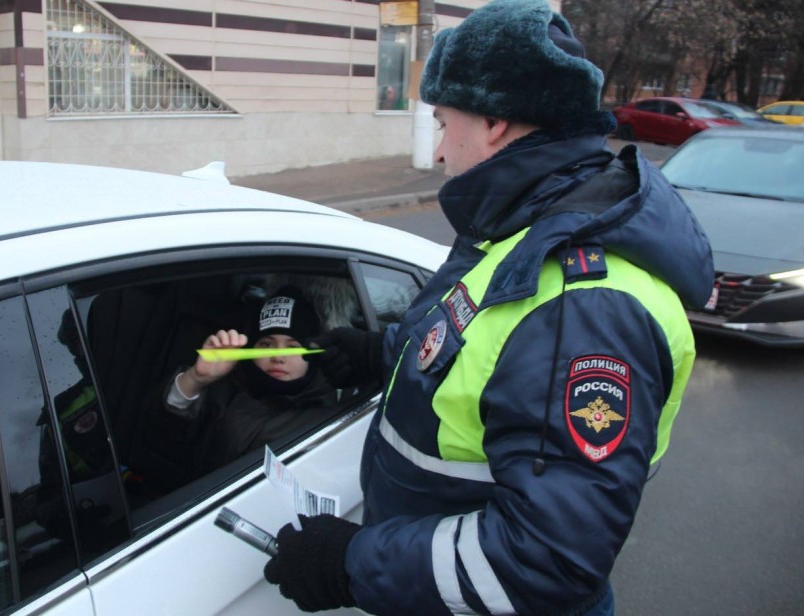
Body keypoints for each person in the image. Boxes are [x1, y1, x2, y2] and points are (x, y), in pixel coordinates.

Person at [262, 1, 714, 614]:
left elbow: (547, 560)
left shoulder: (581, 309)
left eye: (446, 122)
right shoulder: (523, 232)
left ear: (495, 121)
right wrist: (380, 355)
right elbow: (470, 342)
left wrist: (349, 564)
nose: (442, 149)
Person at [161, 286, 338, 475]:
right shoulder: (227, 386)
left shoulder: (324, 423)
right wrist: (195, 379)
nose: (278, 357)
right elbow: (163, 440)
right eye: (266, 344)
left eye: (293, 347)